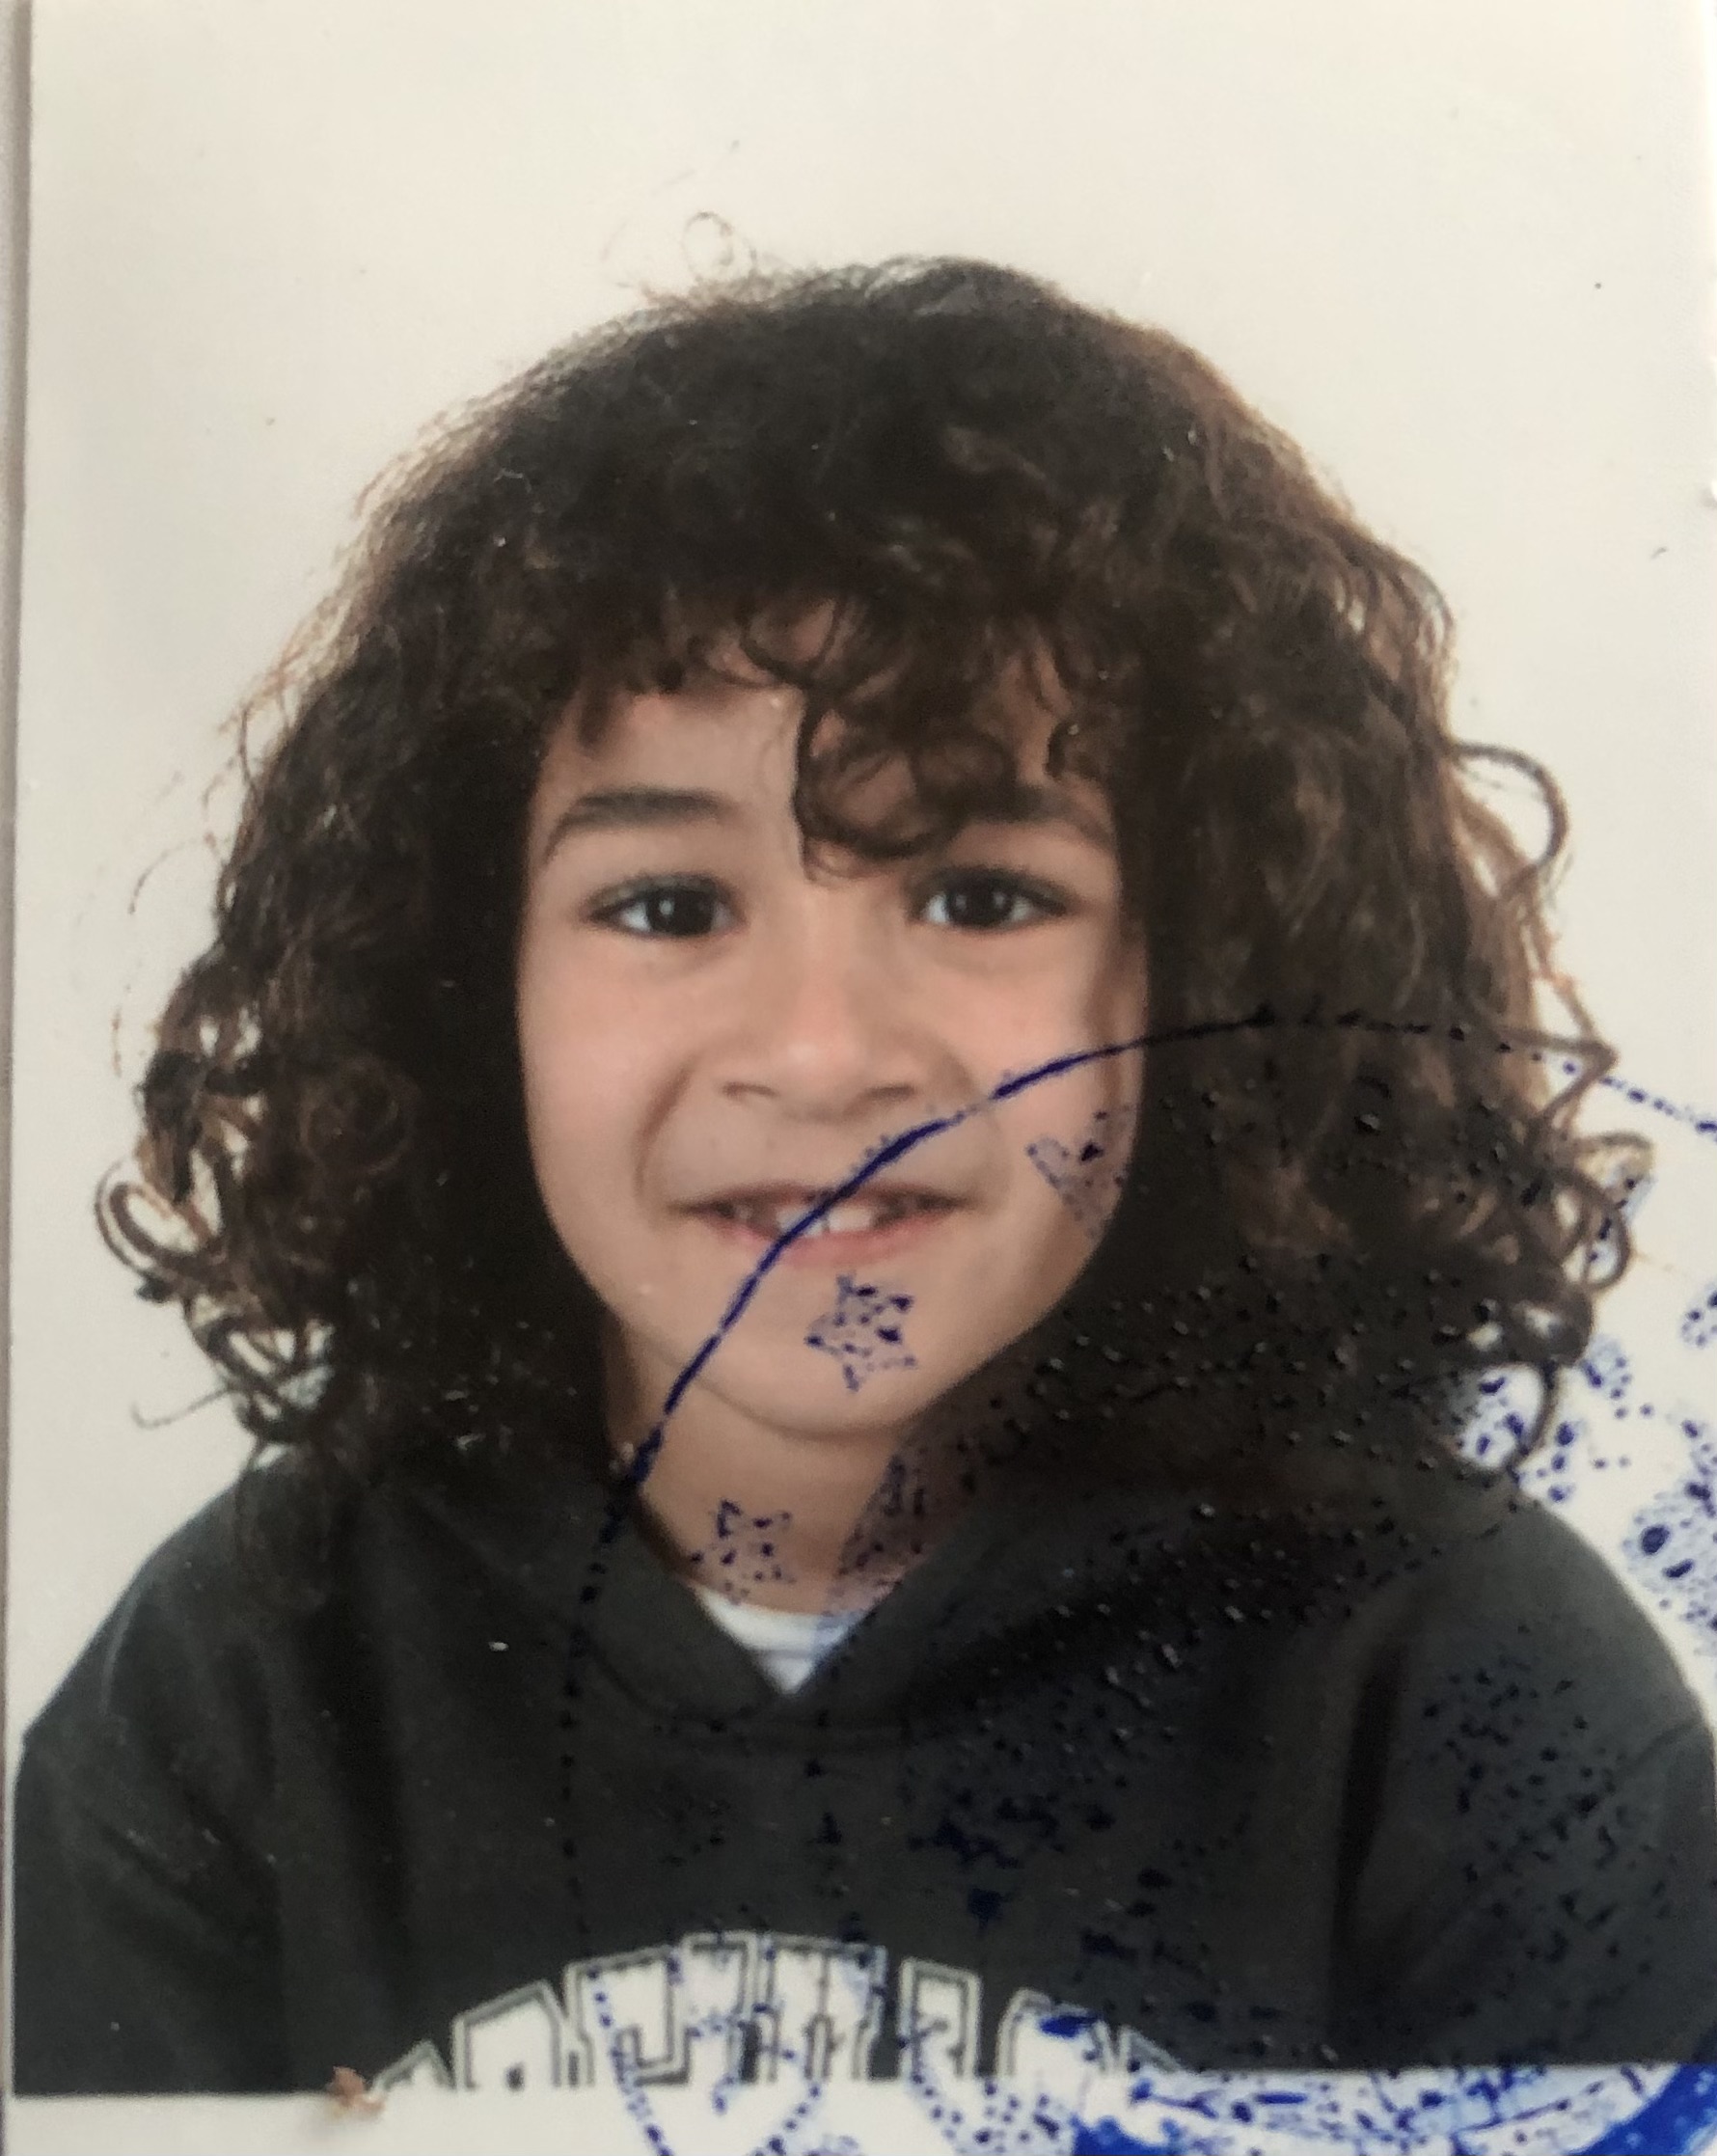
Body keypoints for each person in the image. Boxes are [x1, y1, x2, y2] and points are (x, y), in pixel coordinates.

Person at [14, 259, 1717, 2098]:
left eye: (981, 896)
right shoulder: (251, 1680)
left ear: (1212, 967)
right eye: (667, 906)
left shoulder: (1465, 1687)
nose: (821, 1052)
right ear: (460, 982)